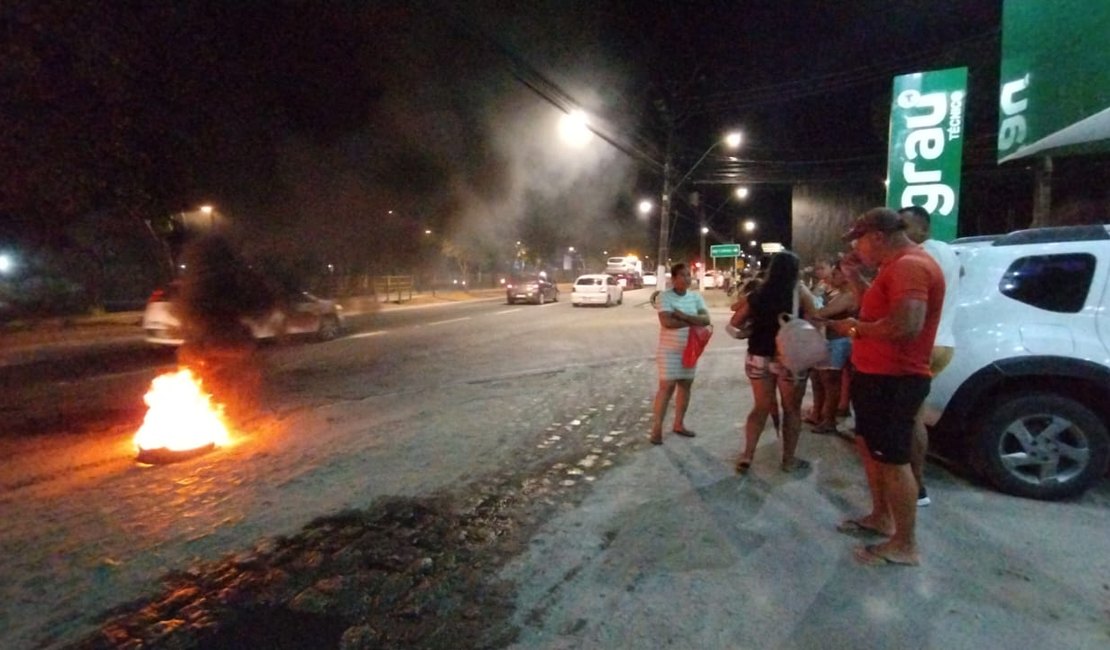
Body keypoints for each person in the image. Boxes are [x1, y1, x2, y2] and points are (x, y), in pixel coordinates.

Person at [828, 207, 944, 567]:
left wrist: (853, 329)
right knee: (874, 451)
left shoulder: (910, 266)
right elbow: (875, 308)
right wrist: (854, 277)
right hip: (876, 375)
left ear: (877, 236)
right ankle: (881, 516)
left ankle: (905, 543)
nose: (857, 249)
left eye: (859, 241)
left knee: (894, 460)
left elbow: (907, 325)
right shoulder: (892, 267)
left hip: (895, 378)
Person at [729, 251, 819, 473]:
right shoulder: (800, 292)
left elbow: (734, 323)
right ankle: (788, 461)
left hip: (758, 357)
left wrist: (750, 330)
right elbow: (815, 320)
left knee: (760, 407)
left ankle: (747, 455)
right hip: (789, 359)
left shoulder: (758, 292)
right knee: (791, 410)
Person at [899, 205, 961, 507]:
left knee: (907, 419)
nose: (900, 232)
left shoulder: (919, 257)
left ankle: (914, 487)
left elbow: (910, 314)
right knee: (915, 416)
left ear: (924, 229)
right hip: (944, 343)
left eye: (905, 226)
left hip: (922, 345)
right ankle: (914, 483)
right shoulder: (947, 252)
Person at [649, 263, 711, 445]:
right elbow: (667, 322)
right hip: (669, 351)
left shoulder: (696, 297)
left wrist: (682, 316)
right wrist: (694, 321)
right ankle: (657, 428)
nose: (687, 278)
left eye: (688, 275)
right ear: (673, 278)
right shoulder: (664, 297)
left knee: (685, 386)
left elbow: (706, 319)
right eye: (683, 275)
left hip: (690, 350)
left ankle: (679, 424)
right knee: (666, 387)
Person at [810, 262, 858, 435]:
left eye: (836, 274)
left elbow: (821, 313)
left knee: (830, 382)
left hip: (838, 341)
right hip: (831, 340)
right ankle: (821, 415)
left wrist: (813, 300)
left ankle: (829, 420)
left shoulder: (849, 295)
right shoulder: (840, 294)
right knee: (819, 379)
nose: (832, 278)